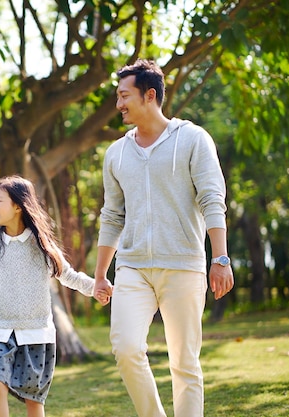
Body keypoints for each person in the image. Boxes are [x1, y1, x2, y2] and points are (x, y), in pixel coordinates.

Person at [92, 59, 234, 417]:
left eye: (125, 96)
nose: (119, 104)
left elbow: (212, 199)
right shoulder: (116, 153)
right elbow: (112, 216)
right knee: (125, 348)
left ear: (149, 95)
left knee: (184, 363)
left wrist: (220, 258)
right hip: (133, 267)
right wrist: (100, 274)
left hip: (183, 265)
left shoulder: (192, 139)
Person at [0, 175, 96, 417]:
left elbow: (70, 276)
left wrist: (96, 288)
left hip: (36, 333)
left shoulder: (42, 246)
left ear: (18, 206)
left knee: (33, 399)